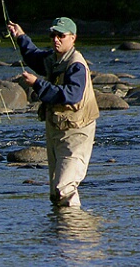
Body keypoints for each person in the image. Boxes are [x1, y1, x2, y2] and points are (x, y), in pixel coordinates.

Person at [7, 17, 99, 207]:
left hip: (77, 131)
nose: (56, 39)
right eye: (53, 35)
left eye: (61, 36)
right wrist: (21, 36)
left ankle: (75, 231)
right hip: (56, 128)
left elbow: (71, 95)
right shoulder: (54, 58)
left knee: (63, 188)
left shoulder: (76, 65)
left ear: (73, 38)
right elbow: (34, 56)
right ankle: (67, 231)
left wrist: (37, 84)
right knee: (56, 194)